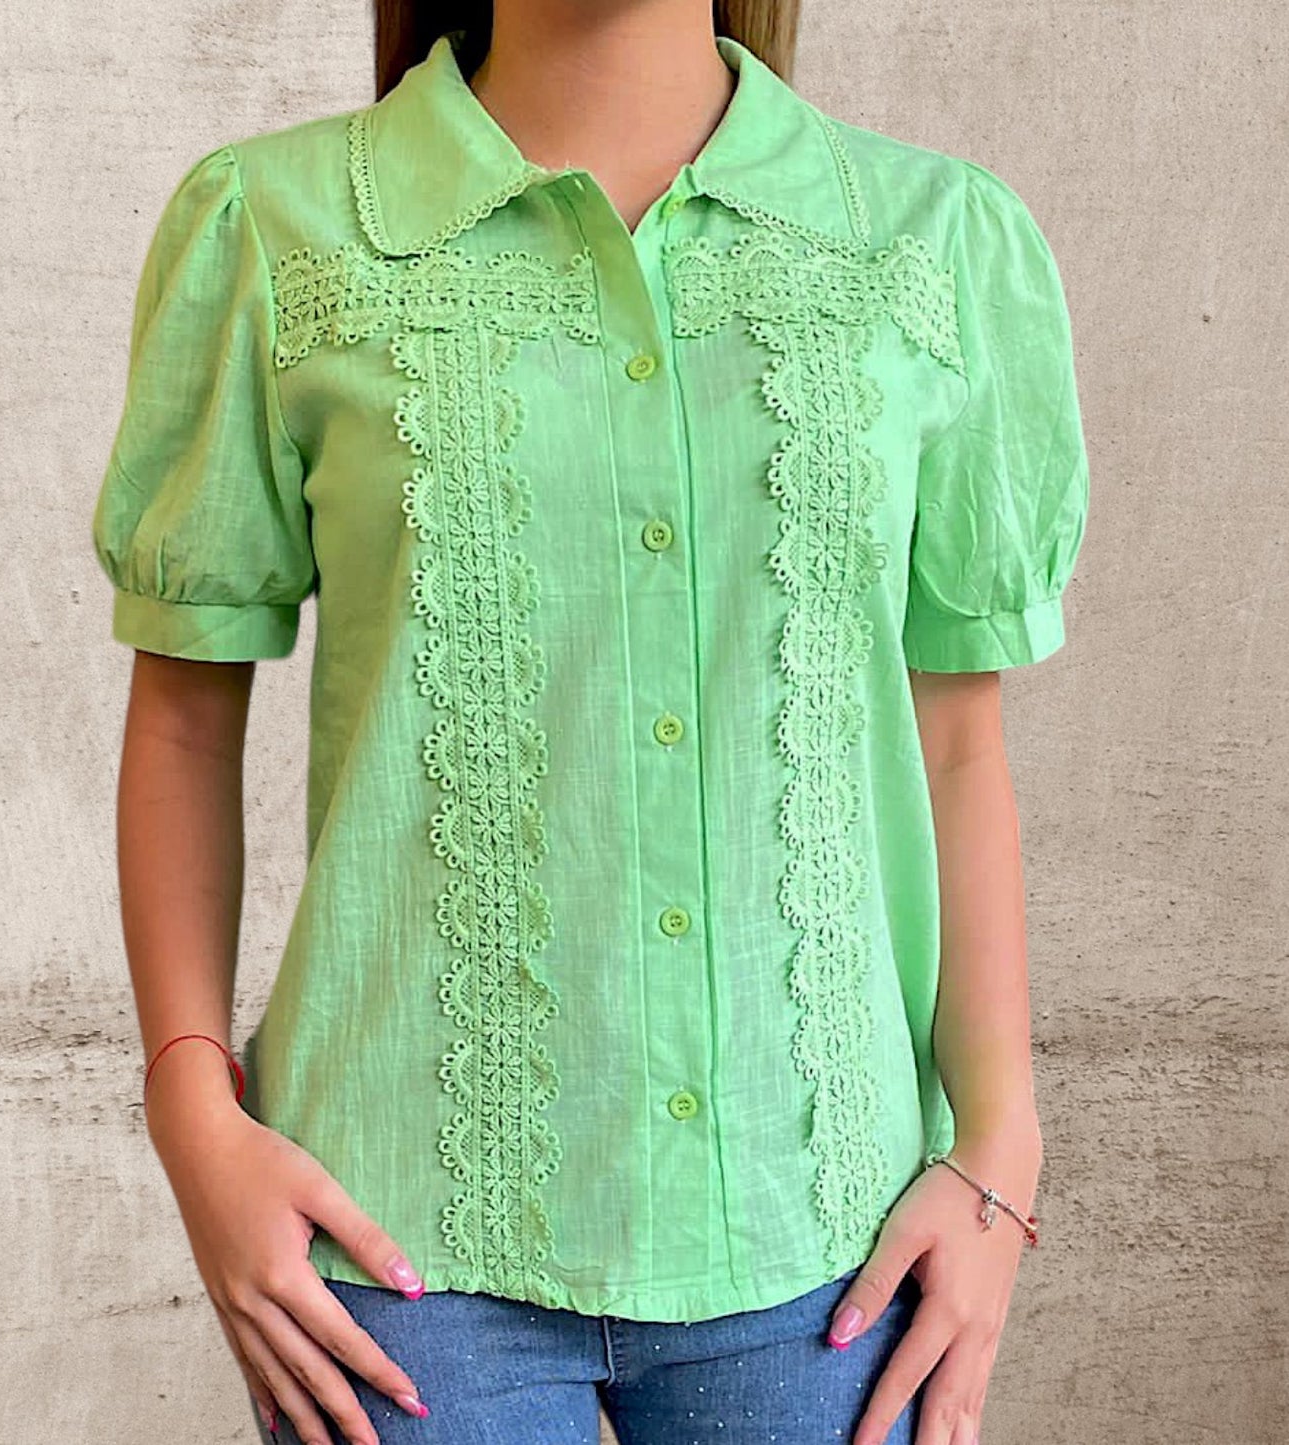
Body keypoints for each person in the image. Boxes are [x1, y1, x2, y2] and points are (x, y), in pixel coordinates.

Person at [90, 0, 1089, 1441]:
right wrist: (193, 1115)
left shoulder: (930, 243)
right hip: (393, 1237)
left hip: (827, 1236)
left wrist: (999, 1147)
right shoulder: (274, 228)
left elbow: (953, 742)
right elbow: (186, 719)